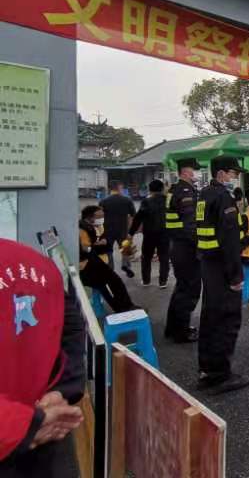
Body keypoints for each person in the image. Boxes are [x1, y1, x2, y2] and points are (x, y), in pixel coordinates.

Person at [0, 239, 86, 477]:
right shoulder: (36, 263)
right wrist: (61, 390)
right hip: (47, 429)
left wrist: (25, 425)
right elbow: (71, 327)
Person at [196, 156, 249, 394]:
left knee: (210, 319)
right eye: (233, 173)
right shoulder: (223, 197)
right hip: (223, 268)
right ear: (221, 173)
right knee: (227, 321)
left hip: (209, 265)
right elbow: (229, 240)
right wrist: (236, 276)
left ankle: (207, 370)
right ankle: (220, 376)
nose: (235, 177)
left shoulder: (204, 194)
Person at [164, 158, 202, 344]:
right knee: (190, 289)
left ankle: (173, 328)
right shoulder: (185, 191)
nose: (197, 174)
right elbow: (190, 226)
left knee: (181, 288)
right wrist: (200, 247)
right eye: (195, 170)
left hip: (177, 245)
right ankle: (181, 332)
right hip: (186, 248)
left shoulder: (174, 189)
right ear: (186, 172)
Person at [78, 206, 137, 313]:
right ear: (90, 217)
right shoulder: (82, 229)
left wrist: (100, 243)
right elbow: (85, 248)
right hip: (86, 266)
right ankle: (124, 308)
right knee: (110, 282)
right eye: (99, 216)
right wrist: (97, 244)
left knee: (111, 282)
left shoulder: (91, 226)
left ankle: (124, 307)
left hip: (92, 261)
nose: (102, 218)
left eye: (102, 216)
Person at [128, 179, 170, 288]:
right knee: (164, 257)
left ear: (150, 190)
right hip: (165, 233)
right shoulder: (168, 200)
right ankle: (163, 282)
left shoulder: (146, 201)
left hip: (149, 234)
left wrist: (131, 233)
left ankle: (146, 280)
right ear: (162, 189)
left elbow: (138, 218)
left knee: (146, 257)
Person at [99, 180, 136, 278]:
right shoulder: (127, 200)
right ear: (119, 187)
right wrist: (130, 230)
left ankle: (110, 269)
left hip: (107, 230)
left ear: (110, 188)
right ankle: (126, 265)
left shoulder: (103, 201)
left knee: (108, 250)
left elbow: (99, 217)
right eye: (122, 187)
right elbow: (133, 216)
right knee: (125, 248)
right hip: (123, 229)